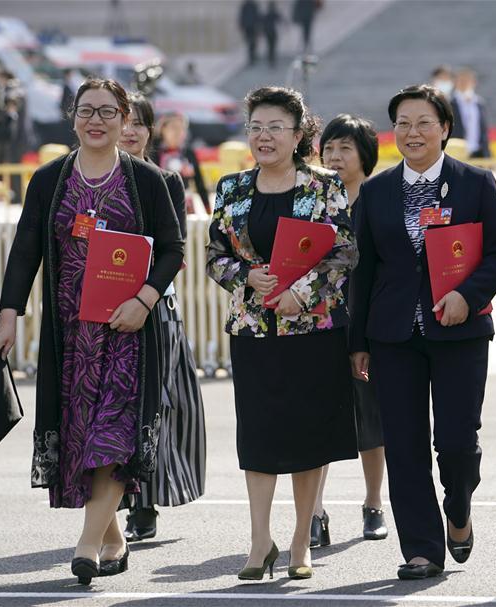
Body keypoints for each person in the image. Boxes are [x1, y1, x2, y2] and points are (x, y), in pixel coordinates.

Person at [0, 78, 184, 585]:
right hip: (70, 336)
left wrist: (145, 300)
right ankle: (111, 537)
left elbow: (172, 248)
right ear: (73, 118)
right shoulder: (49, 179)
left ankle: (86, 544)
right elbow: (26, 249)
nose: (96, 120)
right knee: (82, 437)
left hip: (129, 334)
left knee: (114, 436)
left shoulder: (147, 180)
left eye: (107, 111)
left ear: (125, 119)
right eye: (86, 111)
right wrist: (9, 312)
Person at [350, 84, 496, 580]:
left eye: (424, 122)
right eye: (402, 122)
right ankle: (422, 549)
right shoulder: (376, 192)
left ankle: (459, 509)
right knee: (404, 444)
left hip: (459, 332)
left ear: (445, 129)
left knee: (458, 442)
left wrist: (469, 294)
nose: (412, 132)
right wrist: (357, 342)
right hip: (393, 334)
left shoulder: (476, 183)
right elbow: (364, 270)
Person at [206, 86, 358, 581]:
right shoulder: (231, 187)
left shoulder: (324, 185)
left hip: (312, 329)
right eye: (255, 127)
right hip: (253, 329)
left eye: (275, 127)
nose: (264, 137)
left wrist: (305, 290)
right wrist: (245, 277)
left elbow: (345, 250)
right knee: (260, 433)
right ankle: (258, 540)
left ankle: (299, 542)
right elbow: (214, 254)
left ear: (298, 135)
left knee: (308, 433)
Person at [116, 92, 207, 541]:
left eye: (141, 122)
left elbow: (177, 247)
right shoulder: (85, 179)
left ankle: (144, 502)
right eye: (125, 120)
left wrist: (146, 293)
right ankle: (108, 498)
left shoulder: (167, 181)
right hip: (99, 311)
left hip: (154, 307)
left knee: (158, 405)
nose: (131, 130)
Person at [310, 114, 387, 546]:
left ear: (365, 155)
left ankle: (373, 503)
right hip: (319, 322)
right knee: (319, 419)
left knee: (371, 419)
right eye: (329, 148)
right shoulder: (312, 198)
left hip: (368, 322)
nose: (335, 157)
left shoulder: (378, 199)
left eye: (345, 149)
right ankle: (315, 511)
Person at [152, 112, 210, 215]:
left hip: (186, 207)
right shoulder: (154, 153)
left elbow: (199, 183)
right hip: (162, 206)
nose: (178, 132)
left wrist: (208, 210)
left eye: (182, 128)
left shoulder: (188, 153)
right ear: (162, 129)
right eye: (173, 127)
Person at [450, 67, 491, 159]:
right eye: (461, 81)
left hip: (478, 152)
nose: (464, 84)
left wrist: (487, 154)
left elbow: (483, 131)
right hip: (457, 152)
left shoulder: (479, 103)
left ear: (473, 82)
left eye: (467, 81)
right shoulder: (450, 104)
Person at [239, 0, 261, 66]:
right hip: (252, 26)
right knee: (252, 41)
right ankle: (252, 56)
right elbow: (257, 16)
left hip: (247, 26)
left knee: (250, 41)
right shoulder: (253, 5)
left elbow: (241, 16)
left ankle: (251, 56)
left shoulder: (245, 5)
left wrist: (241, 25)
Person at [263, 1, 283, 68]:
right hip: (273, 32)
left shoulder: (266, 14)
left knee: (269, 46)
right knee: (273, 46)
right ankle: (272, 59)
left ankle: (270, 58)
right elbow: (280, 19)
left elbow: (262, 23)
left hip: (267, 32)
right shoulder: (274, 13)